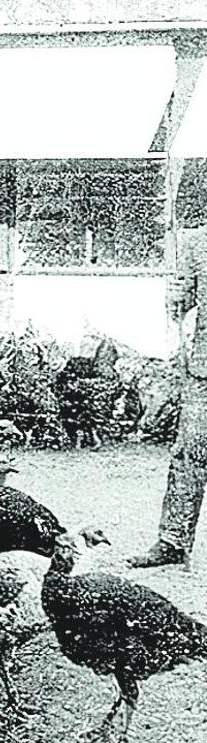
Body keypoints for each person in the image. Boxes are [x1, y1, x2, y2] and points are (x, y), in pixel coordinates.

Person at [130, 224, 207, 568]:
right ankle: (173, 541)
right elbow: (182, 302)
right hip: (204, 368)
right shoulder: (198, 242)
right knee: (187, 455)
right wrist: (176, 295)